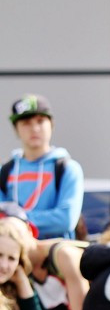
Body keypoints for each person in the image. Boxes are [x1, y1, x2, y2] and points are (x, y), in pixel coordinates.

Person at [0, 95, 84, 239]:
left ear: (51, 125)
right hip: (13, 253)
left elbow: (66, 220)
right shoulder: (5, 171)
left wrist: (20, 218)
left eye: (40, 121)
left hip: (53, 251)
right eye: (26, 122)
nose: (34, 128)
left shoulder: (68, 168)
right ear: (16, 129)